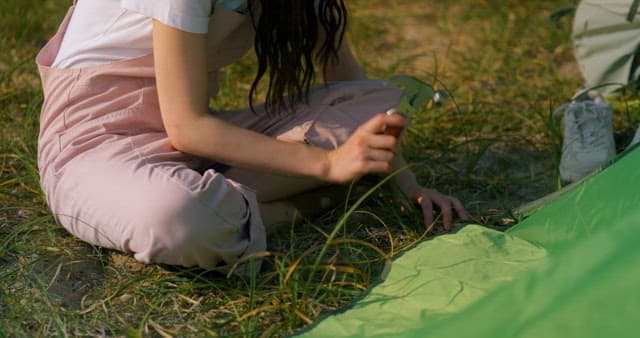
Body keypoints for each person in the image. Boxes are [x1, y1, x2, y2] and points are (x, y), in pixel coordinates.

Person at [35, 0, 469, 270]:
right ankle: (296, 205)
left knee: (376, 99)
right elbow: (186, 127)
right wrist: (328, 165)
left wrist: (406, 185)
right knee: (177, 218)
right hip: (95, 142)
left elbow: (347, 84)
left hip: (192, 141)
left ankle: (231, 204)